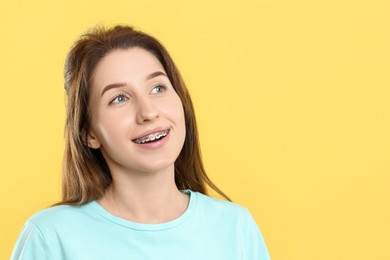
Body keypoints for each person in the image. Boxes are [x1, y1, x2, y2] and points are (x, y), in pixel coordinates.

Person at [11, 25, 270, 260]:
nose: (148, 112)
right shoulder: (50, 237)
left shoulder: (235, 227)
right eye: (119, 98)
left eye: (158, 88)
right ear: (89, 133)